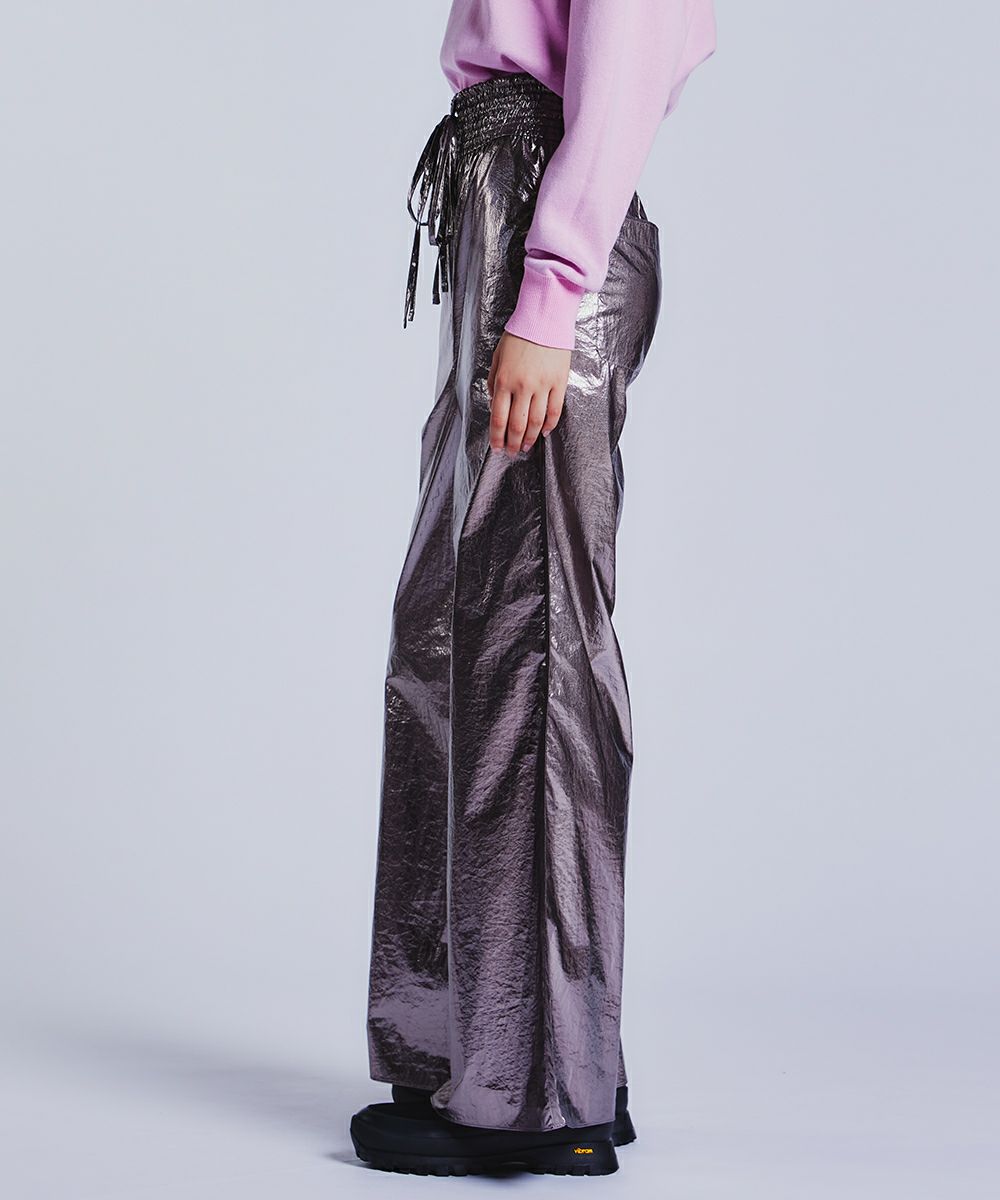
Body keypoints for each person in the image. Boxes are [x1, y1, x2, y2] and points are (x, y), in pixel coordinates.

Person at [350, 0, 716, 1178]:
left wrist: (549, 295)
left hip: (542, 237)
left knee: (533, 648)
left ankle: (543, 1094)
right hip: (502, 215)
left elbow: (627, 54)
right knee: (447, 639)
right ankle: (475, 1046)